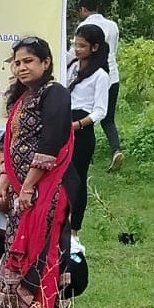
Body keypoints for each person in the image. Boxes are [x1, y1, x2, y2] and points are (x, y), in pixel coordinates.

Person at [0, 36, 74, 308]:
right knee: (21, 251)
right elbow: (12, 149)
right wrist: (3, 186)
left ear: (46, 63)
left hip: (50, 189)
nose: (21, 67)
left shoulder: (55, 94)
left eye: (28, 61)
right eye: (17, 62)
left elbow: (50, 143)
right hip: (25, 192)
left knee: (43, 254)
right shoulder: (22, 98)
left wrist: (27, 187)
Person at [66, 24, 110, 238]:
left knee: (78, 178)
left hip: (81, 129)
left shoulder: (100, 75)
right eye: (75, 44)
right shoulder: (71, 66)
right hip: (64, 123)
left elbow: (101, 110)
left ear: (94, 47)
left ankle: (75, 229)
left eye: (82, 46)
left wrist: (78, 124)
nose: (77, 49)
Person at [76, 0, 124, 171]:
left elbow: (78, 54)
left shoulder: (83, 27)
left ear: (82, 9)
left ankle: (87, 155)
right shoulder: (112, 25)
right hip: (112, 75)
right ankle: (116, 149)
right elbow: (114, 51)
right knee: (108, 119)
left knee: (86, 116)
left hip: (92, 76)